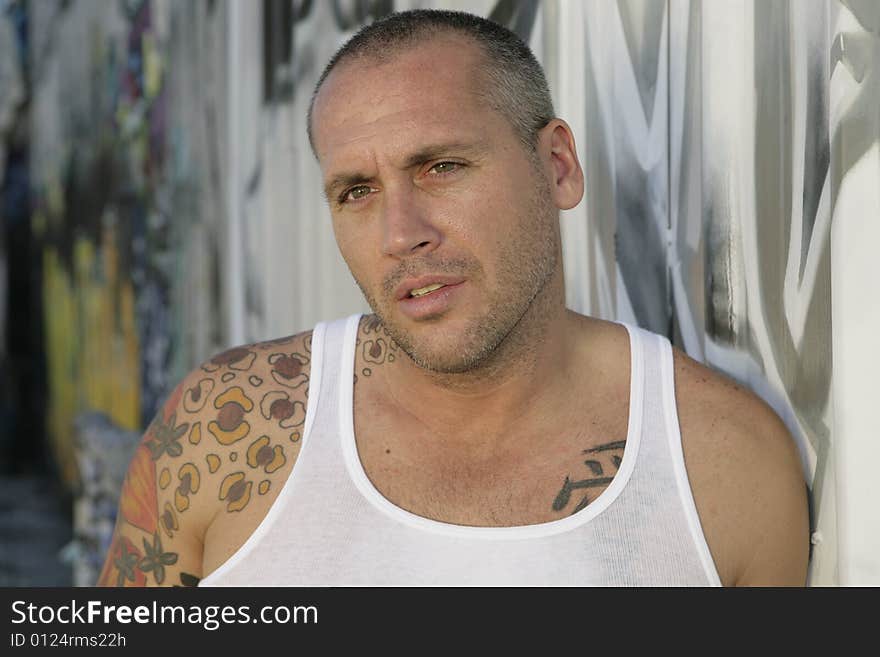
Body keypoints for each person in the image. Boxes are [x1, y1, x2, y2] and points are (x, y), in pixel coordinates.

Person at [98, 9, 809, 587]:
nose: (400, 234)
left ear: (557, 167)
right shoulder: (228, 429)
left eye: (441, 167)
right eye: (357, 192)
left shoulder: (723, 468)